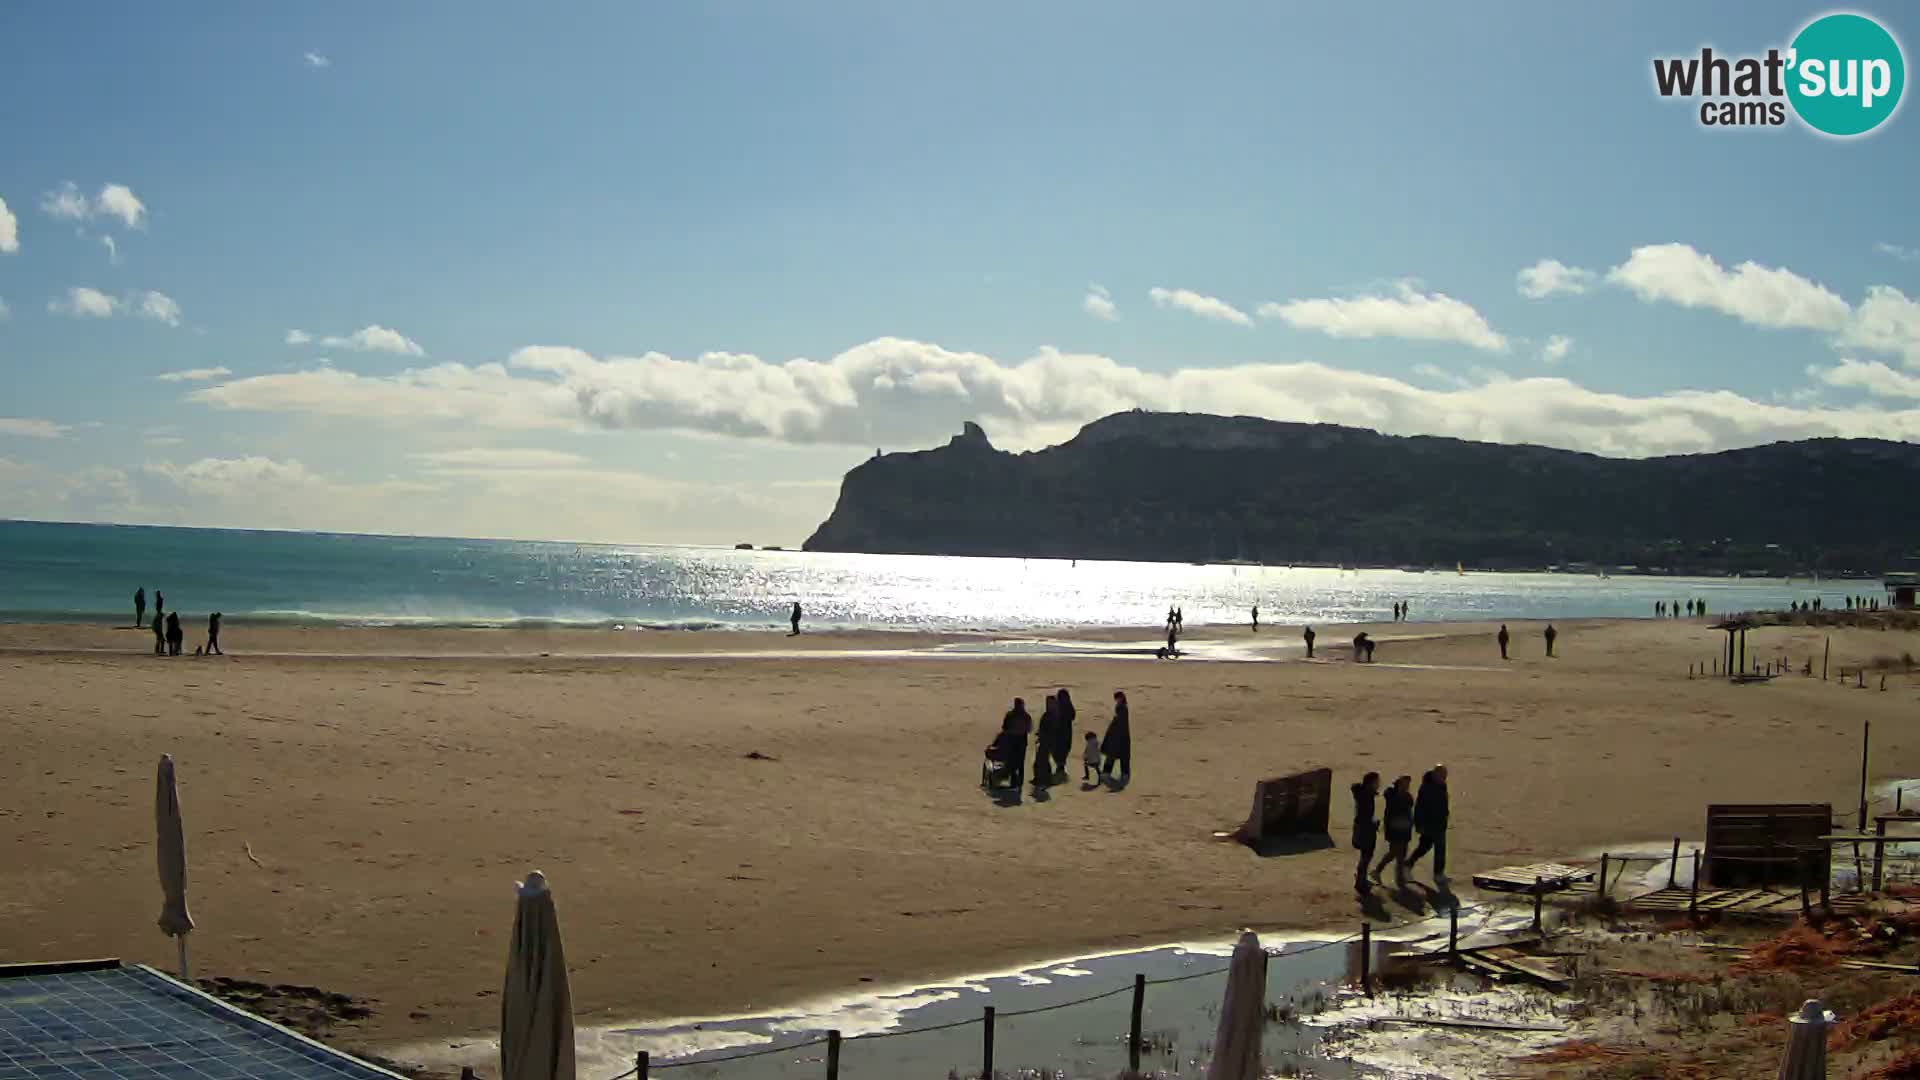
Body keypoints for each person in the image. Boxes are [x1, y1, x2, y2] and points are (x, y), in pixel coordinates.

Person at [1407, 765, 1451, 881]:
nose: (1444, 777)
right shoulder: (1426, 788)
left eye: (1445, 775)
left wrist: (1446, 815)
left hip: (1440, 823)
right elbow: (1419, 807)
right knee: (1425, 847)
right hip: (1429, 824)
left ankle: (1438, 873)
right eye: (1442, 775)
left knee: (1439, 849)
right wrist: (1419, 824)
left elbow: (1443, 804)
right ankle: (1408, 865)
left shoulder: (1442, 786)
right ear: (1435, 775)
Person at [1374, 775, 1414, 887]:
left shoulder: (1406, 796)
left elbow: (1409, 811)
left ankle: (1382, 872)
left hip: (1404, 829)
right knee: (1396, 853)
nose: (1407, 786)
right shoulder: (1393, 797)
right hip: (1395, 830)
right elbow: (1390, 816)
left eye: (1408, 784)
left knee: (1399, 854)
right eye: (1404, 784)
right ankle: (1397, 878)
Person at [1351, 772, 1380, 892]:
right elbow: (1365, 816)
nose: (1378, 784)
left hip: (1362, 828)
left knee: (1365, 856)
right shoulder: (1367, 796)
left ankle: (1361, 879)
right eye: (1376, 782)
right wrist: (1374, 824)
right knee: (1366, 856)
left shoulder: (1363, 794)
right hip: (1366, 830)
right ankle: (1360, 882)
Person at [1001, 697, 1032, 790]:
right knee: (1020, 763)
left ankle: (1014, 782)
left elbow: (1004, 727)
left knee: (1013, 762)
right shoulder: (1026, 716)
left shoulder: (1010, 715)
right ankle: (1019, 783)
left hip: (1013, 740)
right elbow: (1029, 729)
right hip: (1021, 741)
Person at [1100, 690, 1131, 782]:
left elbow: (1121, 722)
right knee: (1119, 755)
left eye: (1119, 698)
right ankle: (1121, 774)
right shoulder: (1121, 708)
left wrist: (1114, 726)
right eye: (1117, 698)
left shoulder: (1122, 708)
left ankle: (1109, 773)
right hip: (1119, 736)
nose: (1117, 700)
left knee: (1113, 755)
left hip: (1119, 736)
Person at [1034, 695, 1058, 788]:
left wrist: (1042, 735)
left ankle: (1043, 780)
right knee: (1041, 760)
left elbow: (1051, 729)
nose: (1048, 704)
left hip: (1047, 741)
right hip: (1045, 740)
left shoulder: (1052, 715)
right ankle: (1042, 779)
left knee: (1042, 760)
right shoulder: (1048, 714)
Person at [1053, 688, 1076, 780]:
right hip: (1067, 731)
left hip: (1058, 731)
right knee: (1064, 749)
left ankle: (1060, 767)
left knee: (1057, 749)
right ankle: (1061, 767)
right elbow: (1073, 716)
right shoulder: (1069, 705)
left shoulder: (1057, 705)